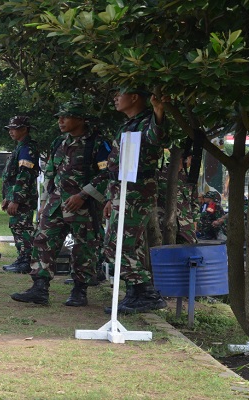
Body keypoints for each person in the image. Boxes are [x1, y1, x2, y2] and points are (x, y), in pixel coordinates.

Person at [11, 101, 110, 307]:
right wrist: (44, 201)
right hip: (56, 203)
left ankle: (79, 290)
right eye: (59, 117)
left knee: (83, 247)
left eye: (66, 116)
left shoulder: (98, 143)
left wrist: (83, 194)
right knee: (43, 239)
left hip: (84, 206)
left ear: (81, 119)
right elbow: (50, 172)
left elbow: (107, 173)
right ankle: (39, 288)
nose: (60, 121)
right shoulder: (59, 141)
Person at [102, 87, 170, 314]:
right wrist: (111, 198)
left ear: (133, 97)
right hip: (121, 192)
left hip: (136, 193)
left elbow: (155, 139)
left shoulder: (147, 121)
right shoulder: (127, 124)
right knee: (134, 246)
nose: (114, 98)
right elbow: (116, 168)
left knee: (116, 246)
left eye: (118, 94)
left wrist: (159, 112)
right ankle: (136, 293)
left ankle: (147, 292)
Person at [0, 115, 40, 273]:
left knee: (23, 227)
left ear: (24, 129)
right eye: (9, 128)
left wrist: (16, 200)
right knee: (17, 226)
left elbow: (24, 175)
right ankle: (23, 258)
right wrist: (8, 198)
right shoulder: (20, 147)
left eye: (14, 128)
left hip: (23, 198)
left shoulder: (27, 148)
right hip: (17, 196)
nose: (11, 131)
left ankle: (26, 260)